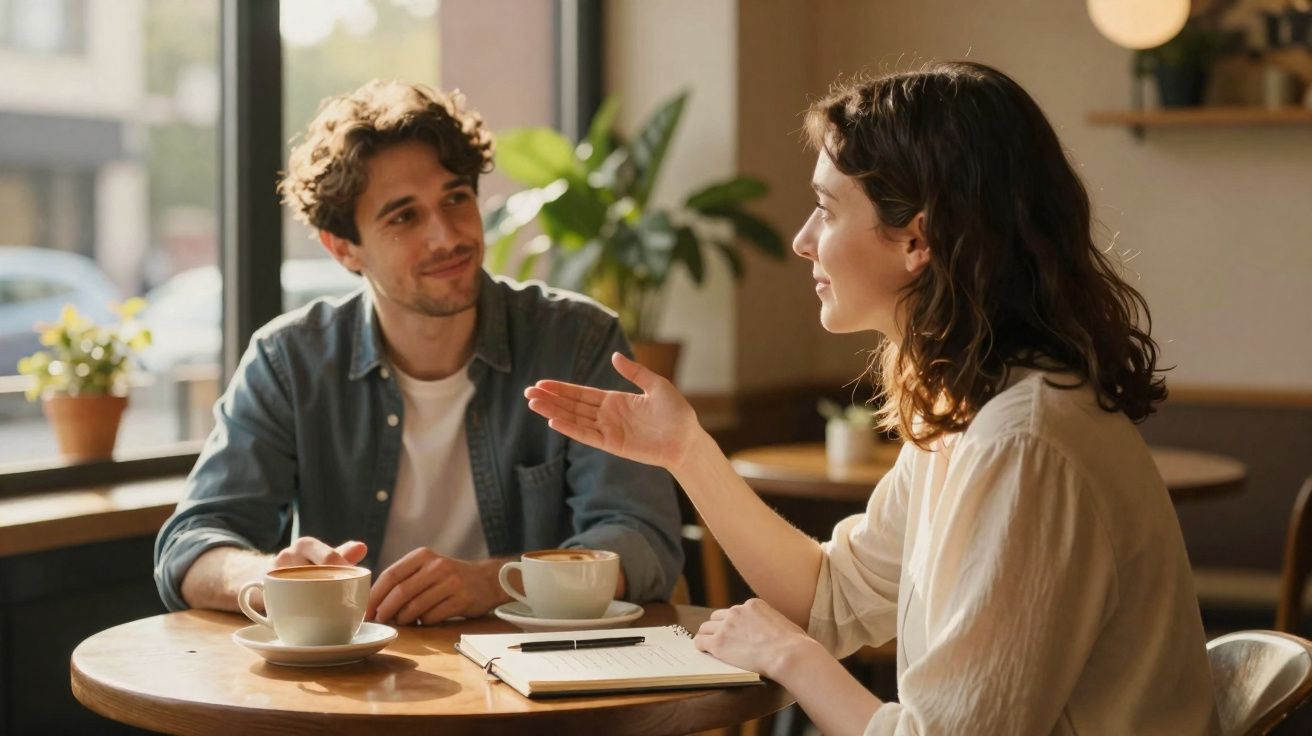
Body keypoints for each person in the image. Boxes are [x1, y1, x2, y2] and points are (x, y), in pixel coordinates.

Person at [524, 62, 1220, 734]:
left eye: (826, 209)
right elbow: (829, 597)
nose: (802, 241)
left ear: (917, 238)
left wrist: (789, 656)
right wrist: (686, 451)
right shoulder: (972, 412)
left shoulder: (1023, 443)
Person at [153, 80, 683, 625]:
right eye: (404, 216)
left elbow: (641, 539)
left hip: (537, 675)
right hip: (355, 683)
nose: (446, 236)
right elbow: (191, 546)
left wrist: (495, 581)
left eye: (456, 198)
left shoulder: (577, 341)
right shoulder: (290, 361)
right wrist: (273, 579)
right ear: (344, 249)